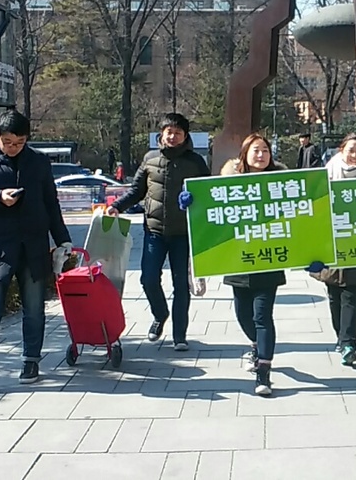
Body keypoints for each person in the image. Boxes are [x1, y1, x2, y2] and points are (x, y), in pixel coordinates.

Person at [0, 110, 72, 392]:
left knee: (34, 309)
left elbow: (50, 204)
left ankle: (31, 361)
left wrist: (63, 241)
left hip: (34, 246)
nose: (14, 147)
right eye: (8, 142)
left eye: (19, 142)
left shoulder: (39, 161)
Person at [107, 113, 210, 350]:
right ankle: (160, 314)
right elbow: (136, 191)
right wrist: (116, 206)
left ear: (185, 136)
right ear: (161, 135)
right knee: (148, 278)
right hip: (154, 231)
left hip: (183, 233)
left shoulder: (195, 162)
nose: (173, 137)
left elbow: (207, 193)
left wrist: (195, 199)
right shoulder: (150, 159)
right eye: (169, 132)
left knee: (181, 285)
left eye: (178, 133)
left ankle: (180, 335)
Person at [219, 134, 287, 396]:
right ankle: (256, 346)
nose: (261, 155)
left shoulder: (282, 183)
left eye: (265, 151)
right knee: (243, 315)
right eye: (256, 151)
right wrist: (193, 203)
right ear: (244, 154)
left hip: (268, 260)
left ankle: (264, 373)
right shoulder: (228, 185)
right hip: (239, 260)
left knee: (262, 317)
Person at [319, 133, 356, 366]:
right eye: (351, 150)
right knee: (334, 294)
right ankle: (340, 336)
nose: (355, 156)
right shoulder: (325, 176)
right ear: (341, 150)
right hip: (331, 245)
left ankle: (349, 342)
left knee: (351, 294)